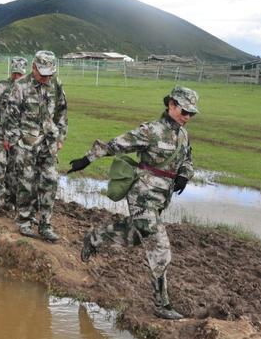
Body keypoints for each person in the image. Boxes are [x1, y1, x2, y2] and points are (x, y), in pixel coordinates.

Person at [68, 85, 199, 320]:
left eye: (191, 113)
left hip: (160, 198)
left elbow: (188, 158)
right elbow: (116, 144)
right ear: (171, 104)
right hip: (142, 196)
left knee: (135, 234)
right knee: (160, 248)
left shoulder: (182, 133)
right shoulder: (151, 130)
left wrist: (184, 175)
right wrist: (86, 160)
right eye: (184, 111)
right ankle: (162, 304)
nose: (187, 117)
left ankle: (96, 237)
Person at [4, 50, 67, 242]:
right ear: (33, 67)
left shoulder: (55, 84)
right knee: (27, 182)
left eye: (49, 73)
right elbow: (10, 118)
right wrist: (16, 143)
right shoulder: (20, 86)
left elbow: (62, 112)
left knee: (50, 180)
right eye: (42, 73)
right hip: (26, 144)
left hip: (48, 143)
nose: (46, 77)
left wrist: (60, 136)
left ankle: (45, 224)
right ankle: (25, 220)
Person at [0, 56, 27, 210]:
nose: (17, 77)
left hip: (19, 137)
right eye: (15, 73)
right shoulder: (0, 86)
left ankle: (11, 199)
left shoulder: (28, 90)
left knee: (15, 168)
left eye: (20, 74)